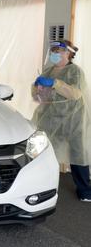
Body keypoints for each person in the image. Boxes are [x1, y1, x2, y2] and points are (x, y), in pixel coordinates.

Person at [32, 40, 91, 201]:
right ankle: (39, 186)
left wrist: (55, 83)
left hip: (74, 118)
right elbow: (39, 99)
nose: (54, 54)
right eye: (53, 51)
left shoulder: (75, 72)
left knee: (78, 153)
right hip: (50, 119)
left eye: (58, 51)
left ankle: (85, 191)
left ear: (69, 54)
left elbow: (75, 93)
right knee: (43, 152)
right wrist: (38, 89)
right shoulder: (48, 71)